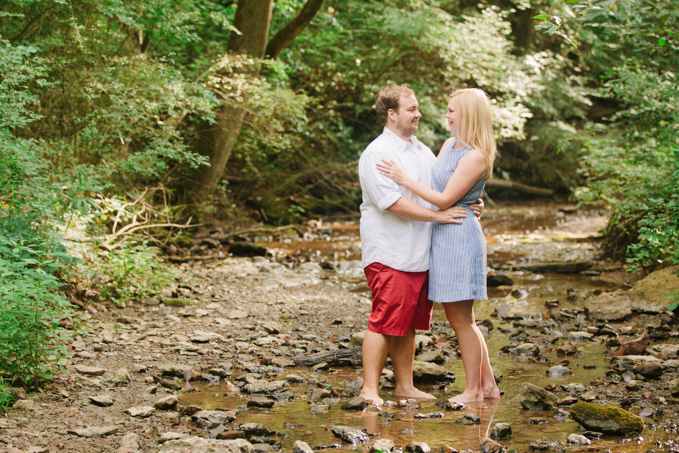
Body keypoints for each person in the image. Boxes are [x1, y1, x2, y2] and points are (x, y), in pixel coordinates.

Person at [358, 85, 482, 406]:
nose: (419, 114)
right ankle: (369, 390)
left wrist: (471, 203)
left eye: (417, 108)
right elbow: (392, 203)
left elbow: (443, 187)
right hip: (389, 252)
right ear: (392, 114)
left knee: (408, 324)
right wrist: (438, 217)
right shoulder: (377, 154)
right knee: (384, 320)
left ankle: (405, 386)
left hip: (420, 254)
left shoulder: (422, 150)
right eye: (412, 109)